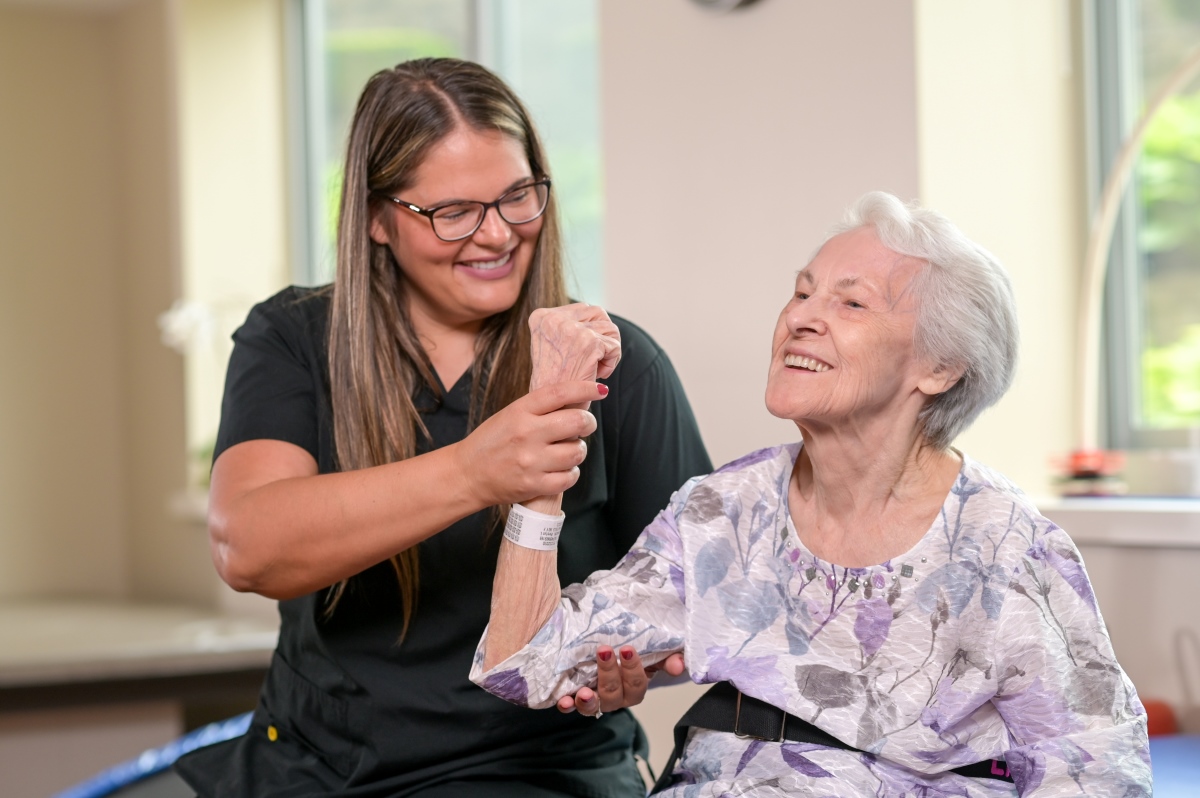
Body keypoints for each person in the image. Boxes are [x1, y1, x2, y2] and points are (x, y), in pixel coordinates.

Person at [473, 192, 1153, 796]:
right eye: (801, 293)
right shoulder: (724, 515)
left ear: (940, 366)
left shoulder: (1005, 548)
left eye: (850, 302)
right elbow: (525, 665)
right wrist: (543, 457)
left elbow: (1095, 772)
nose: (802, 317)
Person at [173, 58, 710, 797]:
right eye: (453, 211)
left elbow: (692, 599)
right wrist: (475, 470)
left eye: (518, 197)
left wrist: (631, 669)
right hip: (313, 769)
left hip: (535, 774)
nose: (497, 235)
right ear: (376, 217)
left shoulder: (620, 363)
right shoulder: (295, 339)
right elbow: (247, 547)